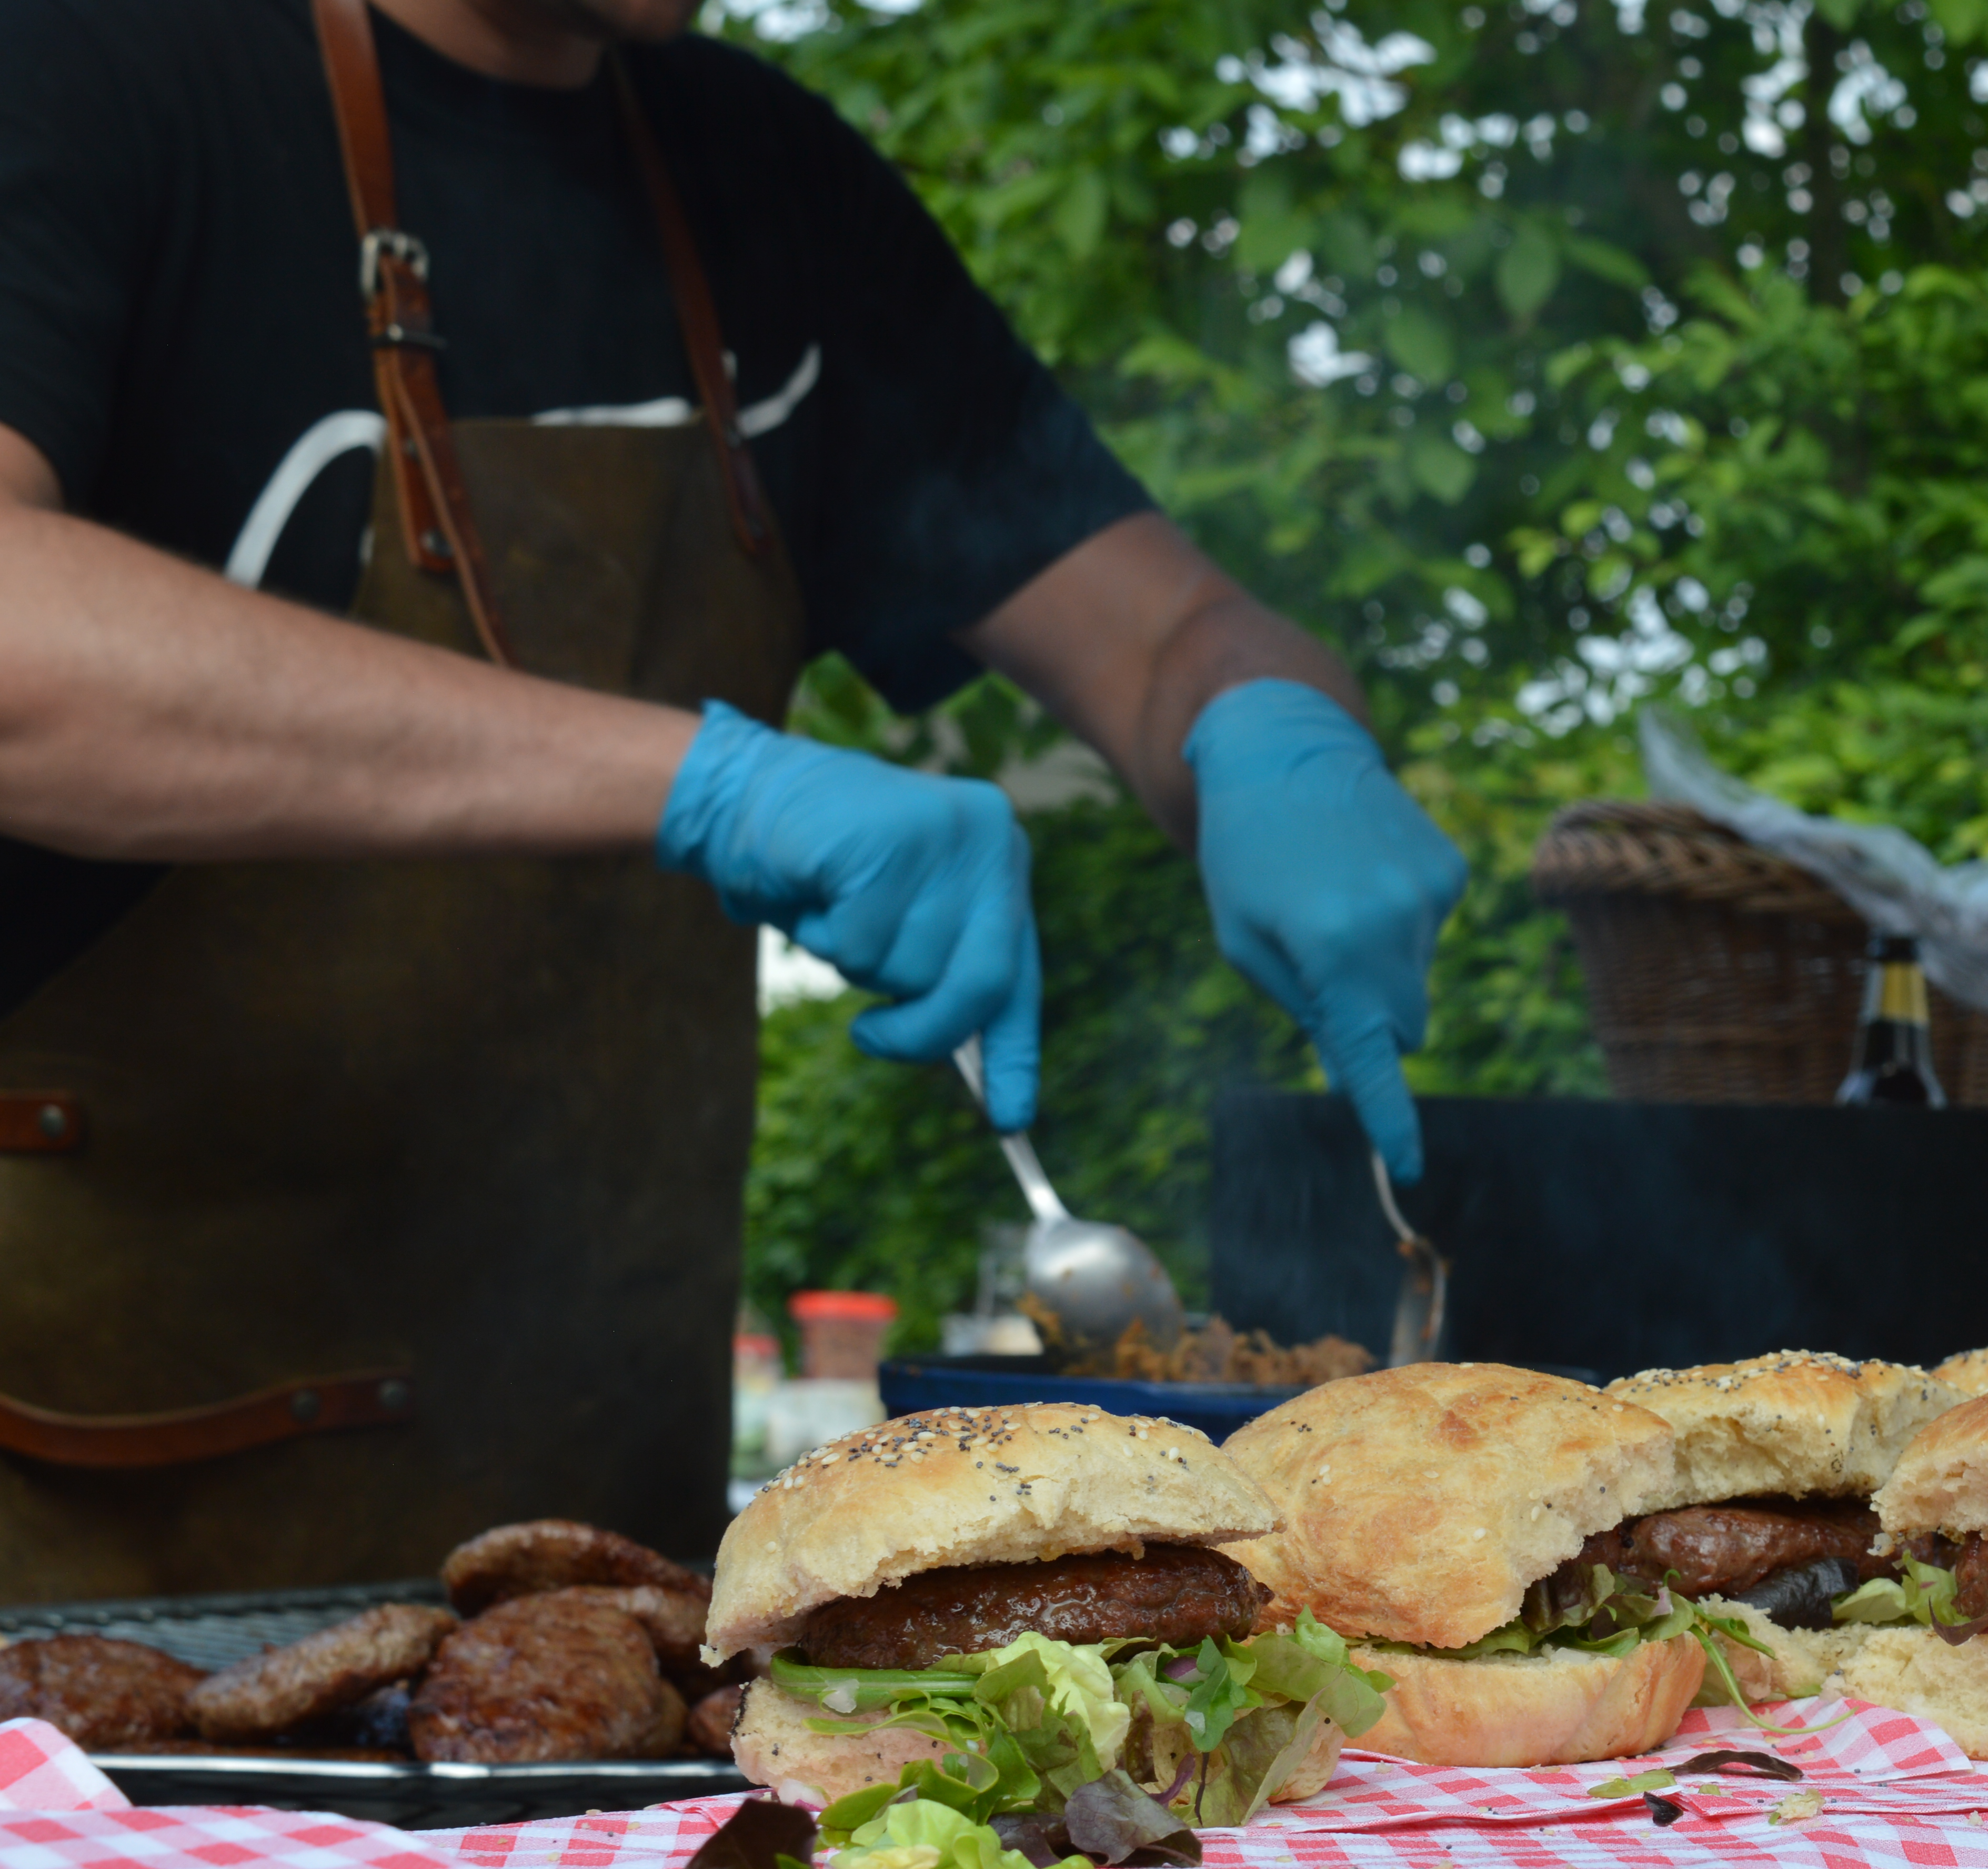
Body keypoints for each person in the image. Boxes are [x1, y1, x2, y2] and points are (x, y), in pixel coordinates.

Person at [0, 0, 1469, 1599]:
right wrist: (709, 782)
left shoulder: (761, 179)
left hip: (607, 1557)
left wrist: (1274, 733)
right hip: (82, 1535)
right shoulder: (90, 70)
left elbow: (1167, 631)